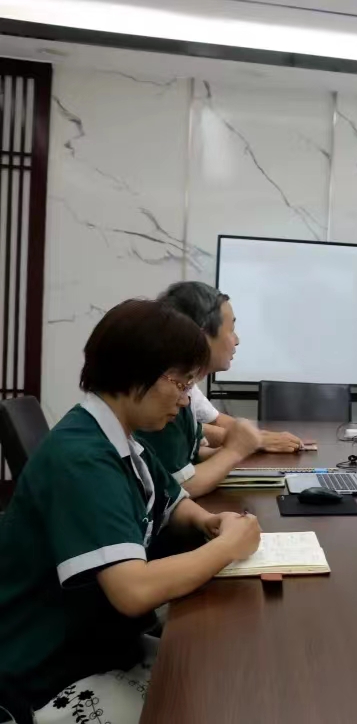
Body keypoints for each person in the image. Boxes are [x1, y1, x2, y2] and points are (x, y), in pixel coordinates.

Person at [0, 300, 262, 723]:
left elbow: (173, 501)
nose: (185, 400)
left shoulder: (122, 440)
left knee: (227, 672)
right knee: (214, 698)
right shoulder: (83, 459)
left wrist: (209, 521)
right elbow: (133, 591)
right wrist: (227, 547)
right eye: (180, 384)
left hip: (99, 644)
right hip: (46, 673)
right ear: (136, 372)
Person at [156, 281, 306, 455]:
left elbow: (212, 422)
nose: (237, 340)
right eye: (231, 330)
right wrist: (249, 444)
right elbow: (186, 469)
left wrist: (265, 438)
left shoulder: (184, 384)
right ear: (202, 336)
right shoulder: (162, 387)